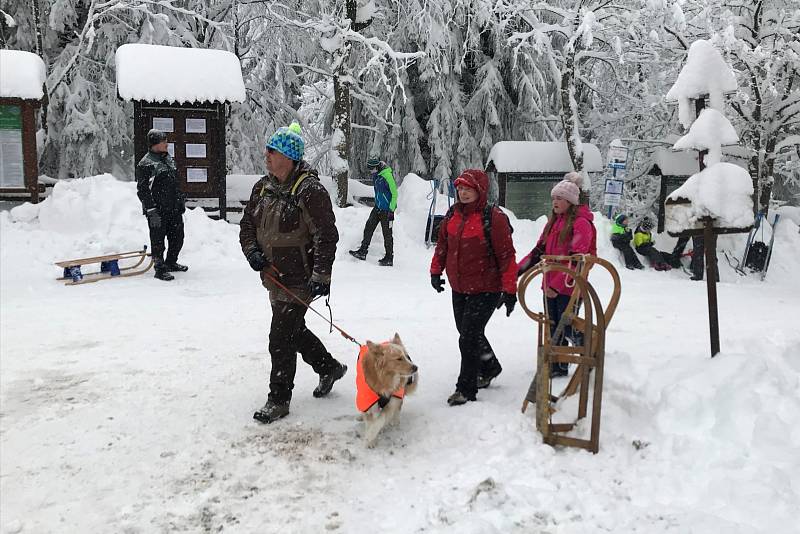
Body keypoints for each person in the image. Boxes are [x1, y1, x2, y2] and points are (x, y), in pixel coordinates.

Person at [239, 122, 347, 424]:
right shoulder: (262, 187)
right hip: (274, 277)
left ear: (288, 156)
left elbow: (326, 235)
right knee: (293, 331)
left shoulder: (311, 191)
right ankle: (329, 367)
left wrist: (321, 277)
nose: (267, 156)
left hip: (301, 279)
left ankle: (278, 399)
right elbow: (247, 226)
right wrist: (253, 253)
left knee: (279, 338)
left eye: (272, 152)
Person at [429, 169, 517, 406]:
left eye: (468, 188)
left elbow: (507, 256)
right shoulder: (452, 215)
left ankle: (466, 388)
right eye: (460, 188)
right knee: (467, 331)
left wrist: (510, 290)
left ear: (480, 190)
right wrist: (435, 271)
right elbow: (442, 246)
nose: (463, 192)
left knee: (468, 337)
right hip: (460, 287)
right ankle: (489, 366)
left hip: (486, 288)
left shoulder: (493, 217)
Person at [518, 179, 596, 377]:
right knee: (553, 325)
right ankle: (558, 365)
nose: (555, 202)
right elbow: (539, 251)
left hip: (570, 285)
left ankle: (589, 347)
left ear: (570, 201)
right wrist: (517, 271)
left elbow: (577, 259)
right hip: (550, 283)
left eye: (560, 198)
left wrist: (557, 285)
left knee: (567, 323)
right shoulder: (553, 223)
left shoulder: (581, 224)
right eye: (553, 198)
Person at [136, 129, 187, 281]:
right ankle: (160, 268)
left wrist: (180, 201)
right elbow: (142, 190)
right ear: (154, 144)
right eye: (163, 141)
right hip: (157, 210)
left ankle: (171, 262)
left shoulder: (168, 159)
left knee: (177, 238)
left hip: (174, 208)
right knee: (158, 241)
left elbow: (175, 183)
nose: (167, 144)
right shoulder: (146, 164)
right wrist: (151, 210)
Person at [349, 157, 398, 266]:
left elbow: (394, 193)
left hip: (387, 210)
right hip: (377, 208)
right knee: (369, 227)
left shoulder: (387, 175)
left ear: (377, 167)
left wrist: (391, 209)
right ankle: (363, 251)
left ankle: (389, 258)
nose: (370, 171)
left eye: (372, 169)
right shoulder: (377, 175)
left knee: (387, 234)